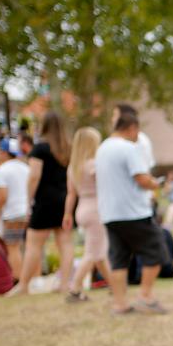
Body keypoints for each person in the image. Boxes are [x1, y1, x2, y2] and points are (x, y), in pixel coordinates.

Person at [95, 106, 168, 315]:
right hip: (133, 212)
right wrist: (155, 184)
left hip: (110, 213)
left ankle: (120, 303)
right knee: (156, 251)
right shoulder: (128, 148)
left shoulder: (103, 148)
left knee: (118, 259)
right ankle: (145, 295)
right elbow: (141, 178)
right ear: (132, 127)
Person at [14, 112, 74, 295]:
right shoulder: (68, 149)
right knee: (65, 243)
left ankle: (23, 285)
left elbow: (34, 177)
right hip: (65, 200)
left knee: (34, 244)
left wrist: (28, 201)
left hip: (44, 201)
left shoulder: (40, 149)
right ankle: (64, 283)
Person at [62, 127, 113, 302]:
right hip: (96, 209)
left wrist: (67, 215)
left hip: (81, 208)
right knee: (92, 253)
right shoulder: (93, 165)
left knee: (99, 252)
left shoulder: (73, 167)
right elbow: (106, 187)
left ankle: (115, 286)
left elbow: (71, 194)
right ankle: (75, 288)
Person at [0, 138, 30, 277]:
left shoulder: (1, 170)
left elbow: (2, 196)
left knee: (13, 247)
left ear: (4, 153)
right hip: (27, 211)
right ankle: (34, 278)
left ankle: (18, 279)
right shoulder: (25, 167)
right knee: (29, 247)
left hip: (12, 213)